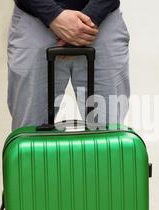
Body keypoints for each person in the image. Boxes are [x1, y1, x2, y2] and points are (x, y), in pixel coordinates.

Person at [8, 0, 130, 130]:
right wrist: (52, 14)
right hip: (34, 21)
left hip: (102, 21)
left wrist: (84, 24)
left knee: (108, 134)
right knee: (29, 136)